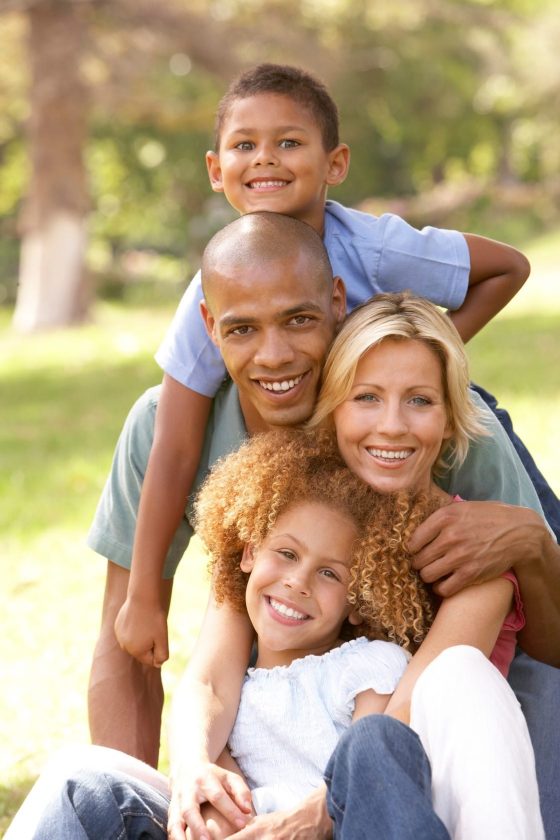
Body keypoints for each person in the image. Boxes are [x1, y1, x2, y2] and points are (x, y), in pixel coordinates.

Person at [87, 61, 559, 770]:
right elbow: (126, 642)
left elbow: (546, 643)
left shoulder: (433, 427)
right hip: (288, 743)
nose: (275, 355)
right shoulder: (168, 412)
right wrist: (152, 797)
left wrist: (415, 364)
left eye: (302, 320)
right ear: (213, 326)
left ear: (339, 302)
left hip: (448, 733)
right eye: (243, 329)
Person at [6, 430, 544, 840]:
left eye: (330, 573)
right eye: (285, 554)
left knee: (372, 742)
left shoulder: (366, 663)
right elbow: (217, 757)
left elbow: (380, 768)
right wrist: (204, 790)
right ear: (247, 553)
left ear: (357, 602)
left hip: (329, 825)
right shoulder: (236, 685)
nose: (297, 582)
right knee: (80, 776)